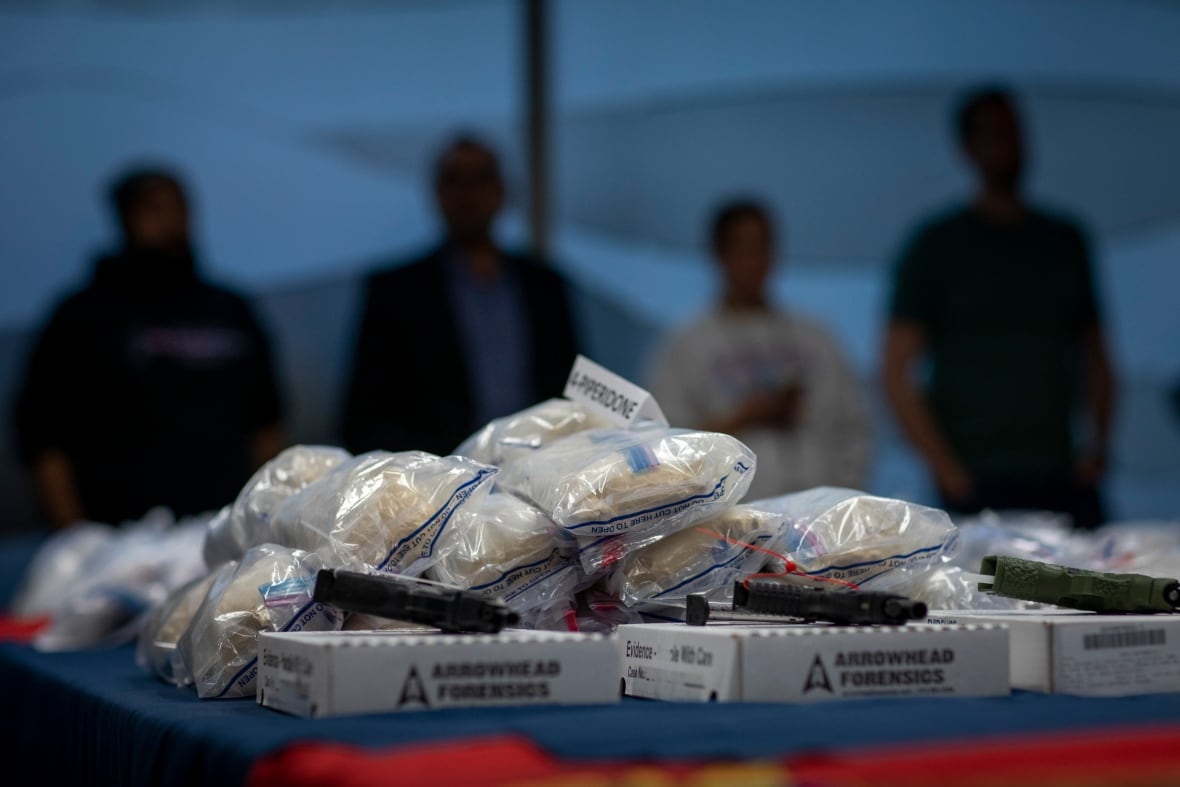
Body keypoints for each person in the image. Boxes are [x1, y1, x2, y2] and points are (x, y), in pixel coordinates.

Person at [882, 86, 1116, 529]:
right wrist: (945, 467)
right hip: (975, 475)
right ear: (967, 148)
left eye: (1013, 130)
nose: (1008, 144)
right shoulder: (939, 246)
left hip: (1062, 469)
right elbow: (896, 369)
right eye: (992, 133)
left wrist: (1098, 447)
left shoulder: (1063, 240)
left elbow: (1098, 354)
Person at [13, 166, 284, 528]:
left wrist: (268, 512)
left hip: (226, 527)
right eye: (153, 209)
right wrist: (74, 534)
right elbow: (43, 437)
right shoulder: (82, 316)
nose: (170, 222)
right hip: (121, 536)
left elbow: (267, 418)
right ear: (125, 217)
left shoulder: (230, 309)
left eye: (179, 208)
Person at [342, 135, 579, 456]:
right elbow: (362, 415)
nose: (469, 195)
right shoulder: (396, 292)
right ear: (438, 194)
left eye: (481, 179)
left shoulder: (545, 286)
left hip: (542, 468)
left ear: (501, 191)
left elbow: (575, 389)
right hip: (437, 478)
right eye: (455, 181)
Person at [647, 199, 870, 499]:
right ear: (719, 254)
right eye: (743, 248)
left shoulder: (816, 336)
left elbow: (854, 426)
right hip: (735, 524)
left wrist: (845, 496)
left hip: (821, 515)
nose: (755, 261)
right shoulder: (686, 344)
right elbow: (664, 448)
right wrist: (742, 417)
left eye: (763, 247)